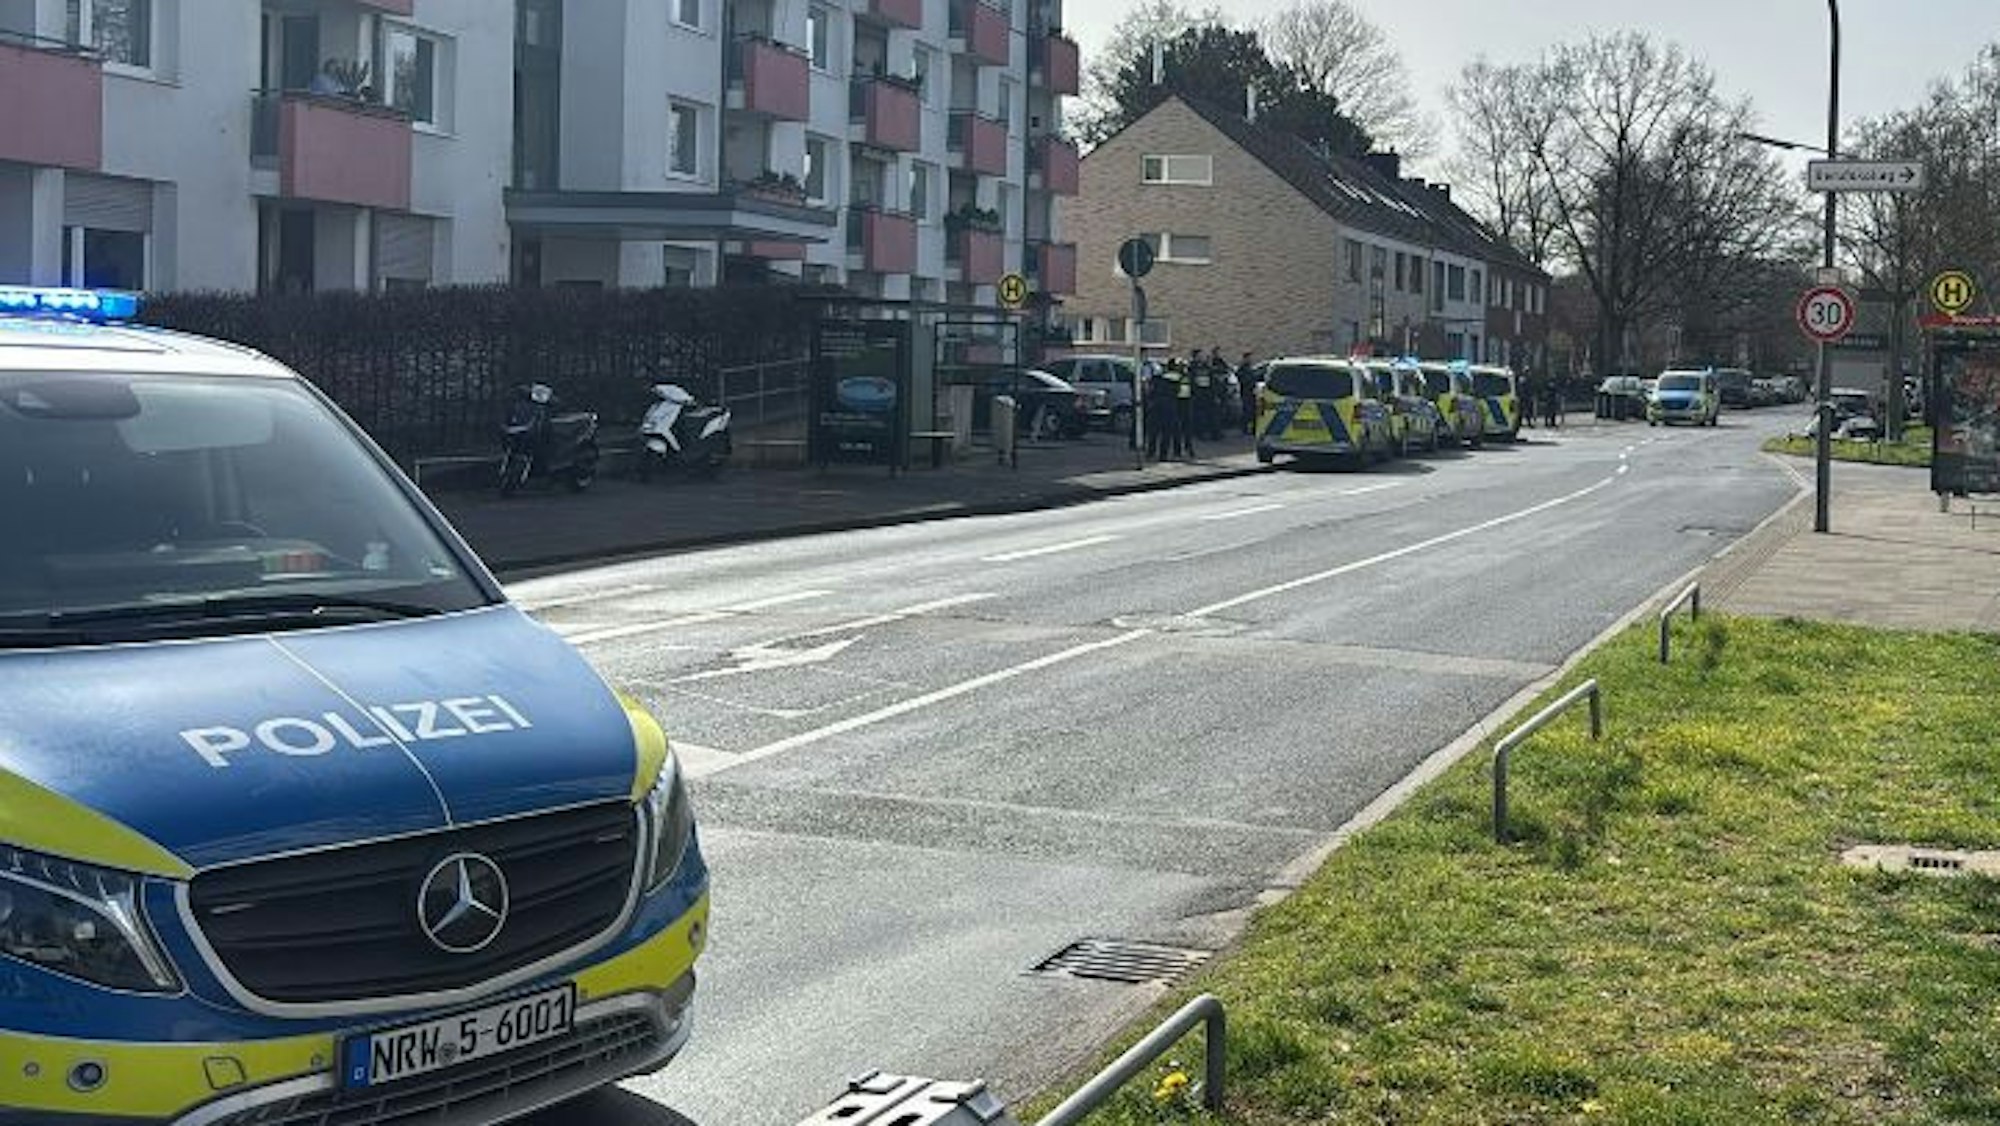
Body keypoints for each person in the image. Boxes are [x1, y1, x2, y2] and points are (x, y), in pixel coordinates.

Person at [1238, 351, 1259, 435]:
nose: (1250, 359)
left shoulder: (1249, 368)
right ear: (1245, 359)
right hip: (1246, 392)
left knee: (1253, 411)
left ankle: (1252, 429)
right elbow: (1242, 378)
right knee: (1247, 411)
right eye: (1249, 358)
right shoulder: (1243, 368)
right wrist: (1248, 381)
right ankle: (1244, 428)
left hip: (1252, 391)